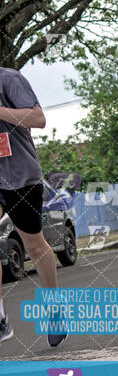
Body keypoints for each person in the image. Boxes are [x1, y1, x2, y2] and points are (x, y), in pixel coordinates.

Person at [0, 67, 67, 347]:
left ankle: (54, 310)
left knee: (35, 245)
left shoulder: (9, 79)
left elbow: (38, 119)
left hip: (20, 176)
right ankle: (1, 319)